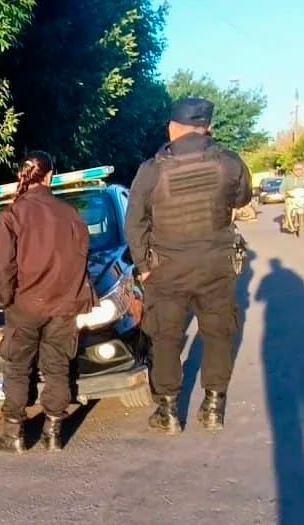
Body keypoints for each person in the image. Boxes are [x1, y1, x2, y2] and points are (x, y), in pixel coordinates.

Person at [125, 97, 252, 434]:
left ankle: (167, 413)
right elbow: (242, 198)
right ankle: (213, 408)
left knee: (165, 337)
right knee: (218, 334)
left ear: (172, 127)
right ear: (207, 126)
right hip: (216, 265)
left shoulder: (153, 169)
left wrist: (144, 266)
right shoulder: (229, 162)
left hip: (167, 268)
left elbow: (134, 222)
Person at [0, 151, 95, 453]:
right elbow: (82, 258)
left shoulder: (10, 215)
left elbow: (1, 267)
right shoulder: (71, 214)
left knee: (17, 368)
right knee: (58, 368)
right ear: (50, 176)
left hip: (25, 305)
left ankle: (14, 434)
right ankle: (53, 433)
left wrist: (7, 299)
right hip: (62, 305)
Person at [280, 161, 304, 232]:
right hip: (291, 198)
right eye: (296, 169)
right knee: (288, 209)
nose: (298, 171)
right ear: (293, 170)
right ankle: (287, 222)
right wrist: (283, 194)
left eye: (300, 169)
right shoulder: (288, 178)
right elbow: (282, 188)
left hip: (302, 198)